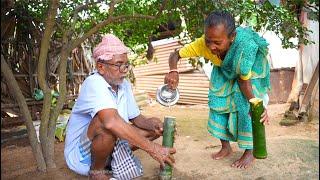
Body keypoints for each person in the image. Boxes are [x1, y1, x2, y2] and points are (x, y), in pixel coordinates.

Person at [165, 10, 270, 169]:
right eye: (209, 41)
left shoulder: (245, 48)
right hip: (223, 69)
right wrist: (173, 71)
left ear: (232, 37)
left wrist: (255, 103)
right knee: (218, 101)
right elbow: (174, 55)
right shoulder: (203, 44)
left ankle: (250, 151)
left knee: (246, 106)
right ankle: (226, 147)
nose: (211, 47)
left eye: (217, 43)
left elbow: (243, 82)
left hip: (249, 74)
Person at [64, 34, 176, 180]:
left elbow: (136, 118)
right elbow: (110, 122)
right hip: (80, 154)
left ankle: (108, 161)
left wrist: (154, 125)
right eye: (118, 64)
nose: (124, 69)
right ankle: (97, 172)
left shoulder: (124, 84)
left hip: (107, 143)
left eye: (126, 64)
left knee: (152, 126)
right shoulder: (94, 83)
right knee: (104, 124)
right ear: (101, 67)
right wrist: (154, 149)